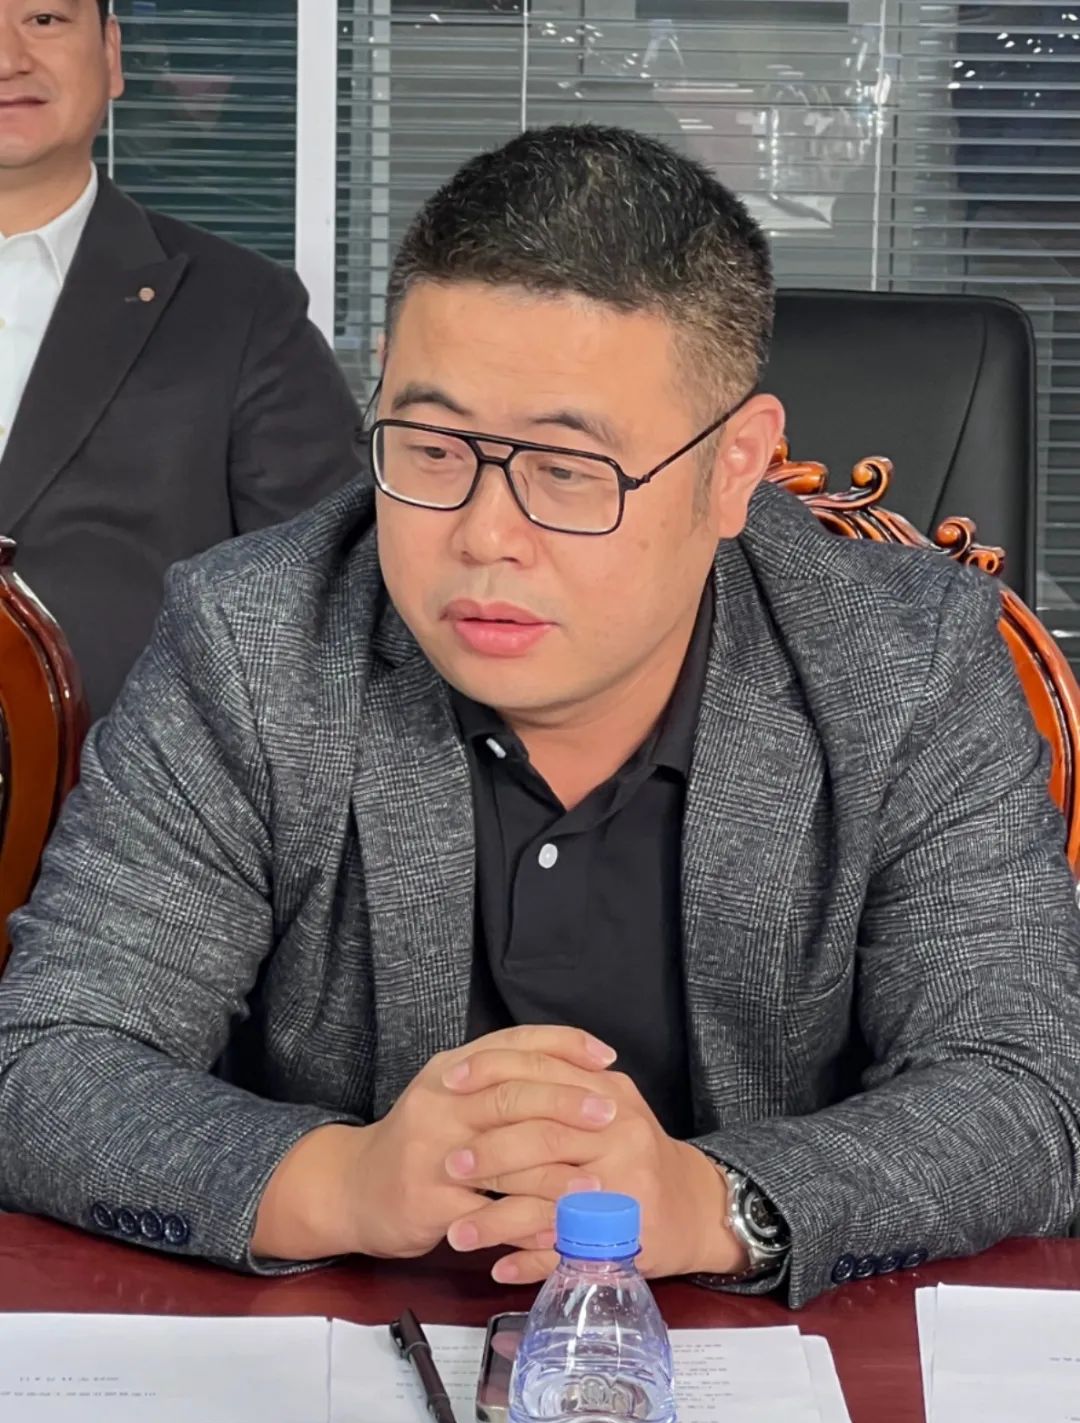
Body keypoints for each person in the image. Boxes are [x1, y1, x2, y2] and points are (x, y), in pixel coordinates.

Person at [1, 123, 1078, 1311]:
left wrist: (706, 1203)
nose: (483, 536)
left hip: (761, 1359)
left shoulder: (906, 660)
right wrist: (345, 1179)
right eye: (431, 446)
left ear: (734, 466)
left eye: (568, 470)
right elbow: (49, 1060)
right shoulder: (253, 641)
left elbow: (1023, 1088)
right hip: (345, 1344)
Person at [0, 0, 362, 718]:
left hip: (123, 780)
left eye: (44, 20)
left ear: (111, 55)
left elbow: (332, 595)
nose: (8, 59)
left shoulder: (242, 308)